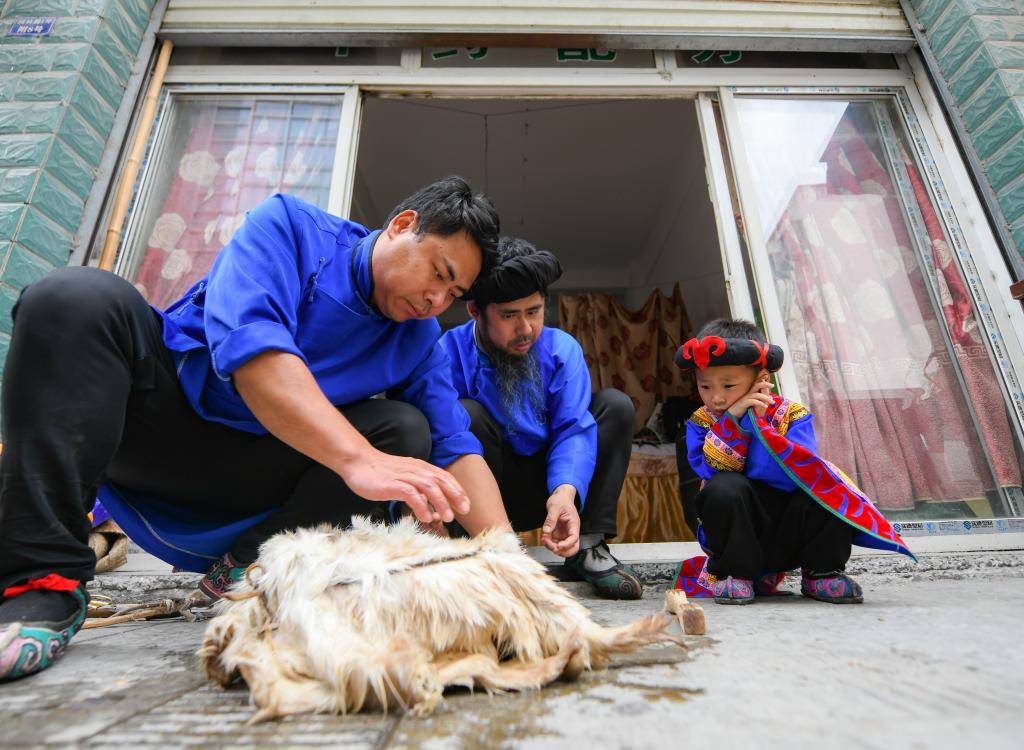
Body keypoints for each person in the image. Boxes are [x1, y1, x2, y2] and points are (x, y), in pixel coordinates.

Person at [0, 176, 513, 681]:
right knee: (77, 295)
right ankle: (42, 581)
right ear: (403, 226)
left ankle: (248, 567)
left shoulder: (418, 337)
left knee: (405, 428)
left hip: (259, 480)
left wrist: (507, 561)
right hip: (164, 432)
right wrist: (360, 460)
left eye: (454, 293)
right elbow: (253, 348)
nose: (436, 301)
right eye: (438, 273)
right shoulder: (289, 227)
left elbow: (454, 446)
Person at [440, 237, 642, 600]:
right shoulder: (446, 352)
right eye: (508, 316)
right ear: (474, 310)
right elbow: (440, 440)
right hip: (484, 491)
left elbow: (573, 429)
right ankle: (477, 554)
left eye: (534, 311)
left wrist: (565, 492)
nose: (526, 329)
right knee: (465, 416)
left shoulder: (562, 349)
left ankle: (589, 547)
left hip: (552, 490)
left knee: (615, 406)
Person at [674, 318, 914, 605]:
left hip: (794, 528)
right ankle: (737, 575)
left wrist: (757, 423)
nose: (717, 398)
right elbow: (709, 468)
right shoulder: (701, 422)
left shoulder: (792, 415)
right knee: (723, 487)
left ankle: (821, 572)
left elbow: (793, 472)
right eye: (705, 387)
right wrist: (734, 419)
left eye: (728, 385)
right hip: (741, 536)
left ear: (761, 378)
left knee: (827, 483)